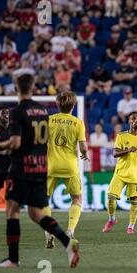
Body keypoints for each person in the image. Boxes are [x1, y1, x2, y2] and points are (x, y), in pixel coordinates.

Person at [0, 74, 80, 268]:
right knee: (36, 214)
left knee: (12, 210)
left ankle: (13, 259)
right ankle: (68, 243)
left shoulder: (17, 112)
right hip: (40, 167)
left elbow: (15, 143)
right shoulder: (43, 110)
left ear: (16, 88)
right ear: (34, 87)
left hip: (21, 168)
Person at [43, 91, 89, 248]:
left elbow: (40, 142)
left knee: (44, 200)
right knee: (76, 199)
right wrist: (85, 154)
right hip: (70, 165)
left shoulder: (48, 120)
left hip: (51, 165)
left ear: (57, 104)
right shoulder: (78, 122)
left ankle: (48, 232)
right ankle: (70, 230)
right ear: (73, 105)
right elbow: (83, 147)